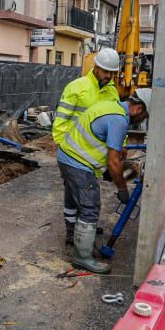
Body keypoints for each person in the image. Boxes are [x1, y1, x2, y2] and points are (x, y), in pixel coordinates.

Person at [57, 88, 152, 273]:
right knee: (90, 207)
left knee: (76, 200)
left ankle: (77, 237)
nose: (142, 120)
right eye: (144, 116)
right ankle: (82, 257)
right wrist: (123, 189)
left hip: (67, 155)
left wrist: (118, 149)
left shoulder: (111, 106)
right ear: (138, 108)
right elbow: (113, 162)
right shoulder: (119, 120)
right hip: (78, 163)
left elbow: (101, 139)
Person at [53, 48, 121, 247]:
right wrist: (64, 148)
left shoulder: (112, 92)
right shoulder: (76, 87)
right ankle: (71, 230)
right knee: (72, 192)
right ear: (96, 67)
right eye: (105, 71)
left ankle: (84, 225)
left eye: (112, 73)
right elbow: (61, 121)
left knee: (83, 193)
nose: (108, 76)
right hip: (74, 152)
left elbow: (115, 122)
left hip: (93, 155)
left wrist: (117, 148)